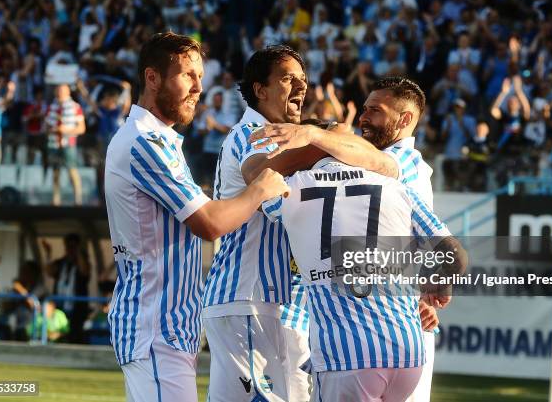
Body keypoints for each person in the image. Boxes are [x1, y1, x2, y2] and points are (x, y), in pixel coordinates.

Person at [104, 32, 289, 402]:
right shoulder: (144, 141)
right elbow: (208, 223)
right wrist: (260, 188)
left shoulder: (155, 139)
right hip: (155, 327)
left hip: (165, 328)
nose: (198, 88)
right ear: (152, 78)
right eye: (188, 75)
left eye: (201, 77)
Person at [249, 76, 445, 402]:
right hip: (383, 328)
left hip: (384, 330)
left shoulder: (402, 164)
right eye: (364, 109)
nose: (364, 119)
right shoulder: (368, 163)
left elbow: (258, 177)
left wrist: (313, 135)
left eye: (375, 111)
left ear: (405, 119)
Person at [260, 156, 467, 402]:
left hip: (347, 355)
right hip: (407, 353)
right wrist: (440, 282)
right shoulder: (396, 186)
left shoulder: (292, 185)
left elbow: (258, 189)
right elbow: (456, 256)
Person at [43, 234, 91, 344]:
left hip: (77, 308)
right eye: (68, 247)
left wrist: (78, 252)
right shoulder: (62, 262)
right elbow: (49, 271)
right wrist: (48, 253)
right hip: (60, 307)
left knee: (75, 334)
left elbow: (85, 271)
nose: (70, 250)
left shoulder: (82, 263)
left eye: (73, 247)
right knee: (58, 333)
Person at [44, 83, 86, 206]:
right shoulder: (51, 107)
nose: (60, 93)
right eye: (58, 91)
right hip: (54, 144)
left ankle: (78, 199)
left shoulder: (75, 107)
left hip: (69, 143)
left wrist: (65, 130)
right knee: (55, 171)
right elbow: (46, 127)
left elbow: (81, 129)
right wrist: (53, 130)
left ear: (68, 92)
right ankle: (56, 200)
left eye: (62, 91)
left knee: (72, 170)